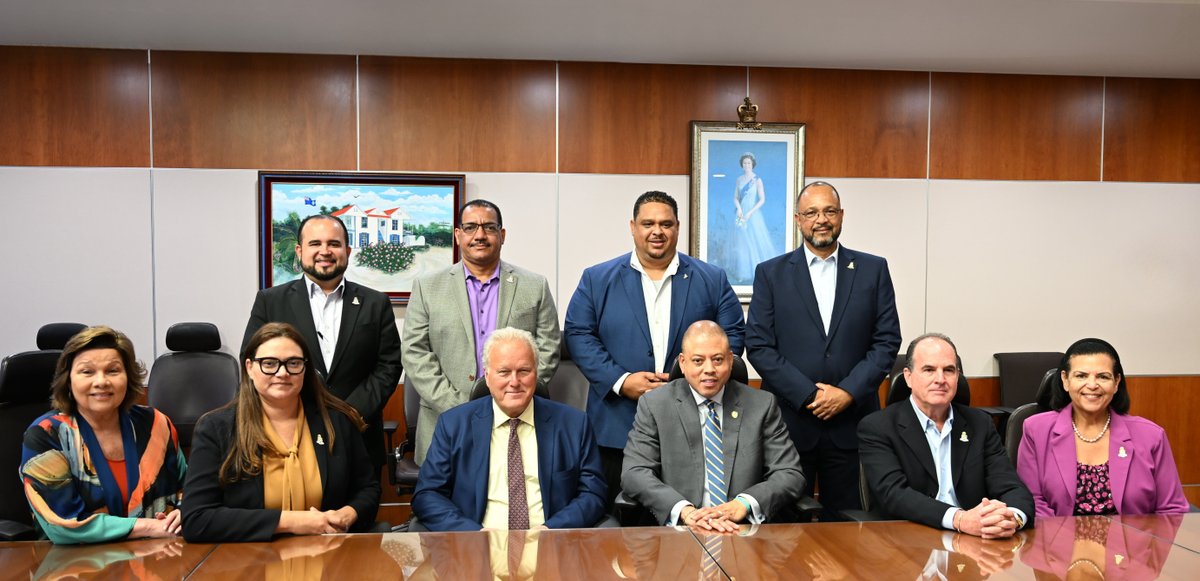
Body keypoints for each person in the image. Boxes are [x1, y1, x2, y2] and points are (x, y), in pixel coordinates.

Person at [565, 190, 745, 507]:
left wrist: (687, 382)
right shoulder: (597, 279)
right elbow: (579, 335)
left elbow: (732, 337)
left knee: (687, 528)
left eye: (666, 223)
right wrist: (621, 381)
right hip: (617, 428)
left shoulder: (712, 279)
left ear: (677, 227)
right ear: (633, 227)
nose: (657, 231)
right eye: (648, 223)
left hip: (694, 427)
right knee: (616, 528)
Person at [746, 180, 901, 520]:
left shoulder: (872, 270)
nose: (822, 219)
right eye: (812, 212)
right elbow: (758, 346)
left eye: (829, 211)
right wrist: (808, 395)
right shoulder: (770, 273)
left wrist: (847, 393)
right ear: (798, 219)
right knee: (784, 533)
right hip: (789, 425)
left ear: (841, 216)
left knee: (848, 530)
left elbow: (886, 341)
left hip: (853, 424)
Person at [182, 322, 379, 542]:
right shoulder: (216, 428)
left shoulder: (336, 422)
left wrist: (348, 515)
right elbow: (196, 519)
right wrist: (295, 522)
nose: (283, 372)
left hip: (328, 554)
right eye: (269, 363)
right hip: (249, 563)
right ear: (249, 367)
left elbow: (368, 489)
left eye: (293, 363)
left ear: (305, 368)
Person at [403, 199, 561, 464]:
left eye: (489, 227)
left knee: (514, 498)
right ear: (457, 235)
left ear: (502, 235)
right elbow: (414, 353)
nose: (480, 235)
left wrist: (510, 398)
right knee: (444, 501)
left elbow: (548, 348)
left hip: (517, 419)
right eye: (470, 227)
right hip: (445, 419)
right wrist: (458, 406)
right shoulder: (427, 287)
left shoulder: (534, 286)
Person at [242, 213, 403, 472]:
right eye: (315, 243)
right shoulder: (271, 301)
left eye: (334, 244)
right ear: (299, 250)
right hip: (286, 436)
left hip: (357, 437)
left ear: (348, 251)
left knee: (355, 512)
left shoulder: (375, 303)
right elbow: (253, 362)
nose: (324, 251)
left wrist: (349, 414)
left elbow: (389, 366)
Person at [412, 327, 606, 531]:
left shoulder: (574, 424)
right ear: (487, 376)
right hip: (477, 548)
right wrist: (472, 533)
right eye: (504, 372)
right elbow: (427, 495)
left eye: (524, 371)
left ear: (536, 374)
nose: (514, 382)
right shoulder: (453, 425)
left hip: (551, 547)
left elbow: (593, 494)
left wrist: (552, 529)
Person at [622, 321, 805, 530]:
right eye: (698, 361)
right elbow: (634, 472)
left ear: (730, 359)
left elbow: (790, 473)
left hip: (743, 531)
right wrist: (683, 510)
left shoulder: (762, 405)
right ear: (683, 363)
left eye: (718, 360)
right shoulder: (655, 405)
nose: (709, 369)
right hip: (680, 532)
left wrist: (744, 503)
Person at [20, 326, 186, 544]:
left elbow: (191, 488)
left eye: (113, 371)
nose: (101, 381)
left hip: (159, 558)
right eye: (87, 372)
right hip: (74, 567)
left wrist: (186, 511)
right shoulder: (47, 435)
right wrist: (147, 526)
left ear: (128, 377)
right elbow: (64, 524)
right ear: (68, 380)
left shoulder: (155, 423)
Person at [859, 333, 1033, 537]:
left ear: (958, 376)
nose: (940, 379)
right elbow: (894, 495)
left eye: (949, 370)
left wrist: (1010, 518)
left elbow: (1011, 486)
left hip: (974, 541)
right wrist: (959, 519)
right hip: (909, 540)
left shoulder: (980, 424)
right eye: (929, 370)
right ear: (908, 376)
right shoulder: (878, 426)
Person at [1017, 338, 1188, 516]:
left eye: (1103, 376)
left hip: (1134, 542)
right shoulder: (1036, 430)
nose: (1092, 385)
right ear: (1065, 380)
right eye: (1081, 376)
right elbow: (1032, 502)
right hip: (1058, 541)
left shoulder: (1151, 435)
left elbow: (1172, 510)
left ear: (1116, 383)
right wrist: (1064, 542)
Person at [730, 152, 779, 283]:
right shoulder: (739, 179)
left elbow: (762, 199)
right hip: (741, 214)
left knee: (755, 241)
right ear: (742, 165)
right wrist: (740, 209)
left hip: (753, 214)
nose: (747, 165)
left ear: (753, 165)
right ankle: (744, 272)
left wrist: (750, 212)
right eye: (745, 163)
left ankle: (761, 273)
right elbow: (735, 197)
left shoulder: (757, 180)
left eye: (749, 163)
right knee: (742, 243)